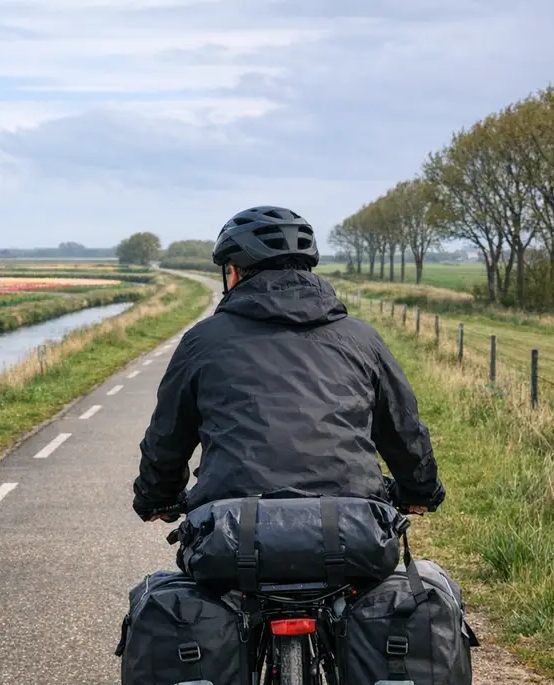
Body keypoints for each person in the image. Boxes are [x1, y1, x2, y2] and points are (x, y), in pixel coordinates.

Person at [132, 206, 444, 522]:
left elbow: (168, 437)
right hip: (355, 531)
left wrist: (157, 498)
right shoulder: (362, 338)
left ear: (235, 272)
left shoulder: (201, 341)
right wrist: (419, 490)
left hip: (228, 536)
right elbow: (402, 427)